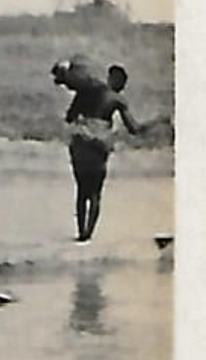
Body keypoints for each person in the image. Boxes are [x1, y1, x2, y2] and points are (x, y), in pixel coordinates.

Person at [56, 61, 148, 242]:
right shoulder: (117, 100)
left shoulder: (87, 92)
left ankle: (81, 233)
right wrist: (156, 124)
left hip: (80, 141)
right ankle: (88, 234)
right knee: (96, 192)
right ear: (119, 82)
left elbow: (69, 117)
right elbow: (134, 129)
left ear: (109, 77)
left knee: (82, 190)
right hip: (100, 144)